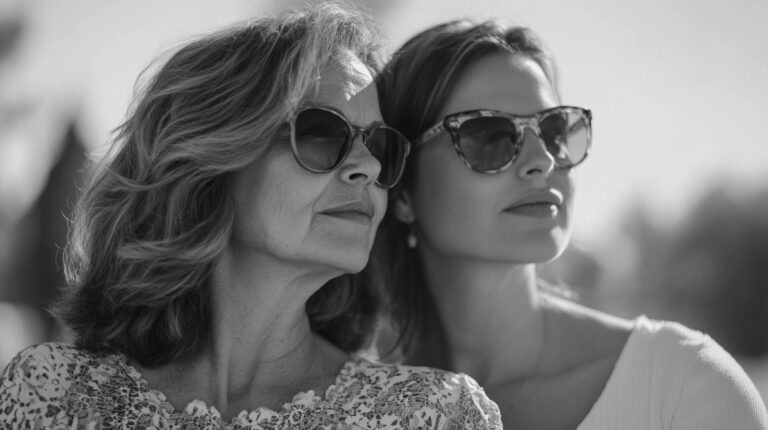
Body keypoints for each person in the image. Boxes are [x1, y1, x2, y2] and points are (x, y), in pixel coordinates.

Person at [0, 7, 503, 429]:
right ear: (210, 160)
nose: (368, 168)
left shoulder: (435, 415)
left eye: (381, 146)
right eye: (322, 133)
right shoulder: (52, 396)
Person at [374, 19, 768, 429]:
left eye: (555, 130)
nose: (542, 160)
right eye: (489, 134)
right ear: (402, 191)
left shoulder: (685, 387)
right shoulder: (351, 405)